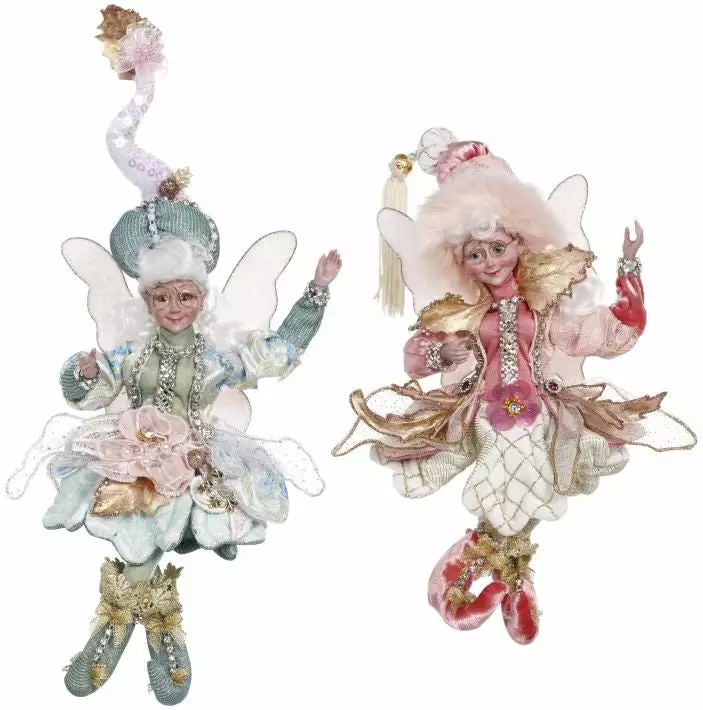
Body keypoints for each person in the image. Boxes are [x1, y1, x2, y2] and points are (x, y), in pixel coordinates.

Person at [7, 7, 341, 704]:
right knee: (133, 529)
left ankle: (146, 625)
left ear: (201, 296)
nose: (176, 307)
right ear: (149, 299)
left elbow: (278, 353)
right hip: (128, 447)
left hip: (195, 452)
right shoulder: (132, 349)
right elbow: (89, 390)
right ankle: (133, 623)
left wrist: (315, 293)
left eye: (186, 296)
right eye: (164, 298)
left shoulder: (218, 356)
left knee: (161, 531)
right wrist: (85, 372)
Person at [333, 126, 695, 645]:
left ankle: (486, 580)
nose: (489, 262)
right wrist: (442, 354)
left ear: (520, 243)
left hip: (541, 412)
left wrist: (629, 267)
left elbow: (613, 331)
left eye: (497, 248)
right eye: (475, 255)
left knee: (530, 484)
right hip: (480, 415)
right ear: (459, 261)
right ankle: (504, 583)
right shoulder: (462, 311)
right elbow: (416, 357)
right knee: (498, 483)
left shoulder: (546, 306)